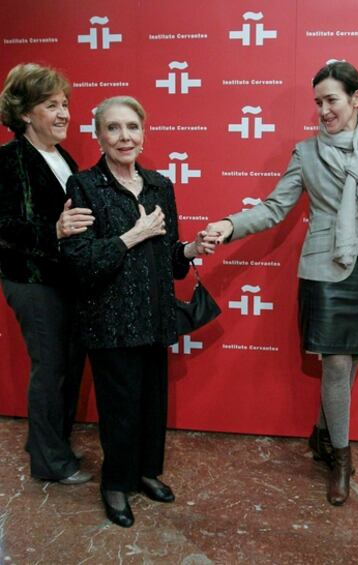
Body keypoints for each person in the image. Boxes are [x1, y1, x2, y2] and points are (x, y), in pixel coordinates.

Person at [207, 61, 358, 506]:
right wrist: (229, 223)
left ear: (356, 99)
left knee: (352, 362)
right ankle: (341, 458)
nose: (323, 110)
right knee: (336, 366)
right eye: (317, 102)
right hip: (324, 269)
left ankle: (321, 434)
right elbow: (274, 208)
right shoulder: (307, 153)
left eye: (331, 100)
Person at [60, 95, 216, 527]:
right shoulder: (85, 186)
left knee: (150, 404)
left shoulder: (161, 185)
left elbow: (170, 259)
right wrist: (133, 235)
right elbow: (81, 260)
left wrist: (191, 248)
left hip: (155, 316)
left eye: (132, 126)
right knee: (119, 408)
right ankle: (115, 485)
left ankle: (145, 473)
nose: (124, 136)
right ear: (99, 136)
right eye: (113, 128)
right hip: (109, 320)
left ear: (144, 132)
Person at [0, 63, 94, 484]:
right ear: (24, 113)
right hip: (32, 281)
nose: (64, 114)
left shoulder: (62, 155)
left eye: (65, 104)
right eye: (51, 105)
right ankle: (49, 463)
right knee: (52, 367)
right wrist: (52, 231)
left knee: (67, 366)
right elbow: (4, 225)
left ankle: (47, 441)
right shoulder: (11, 158)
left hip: (63, 280)